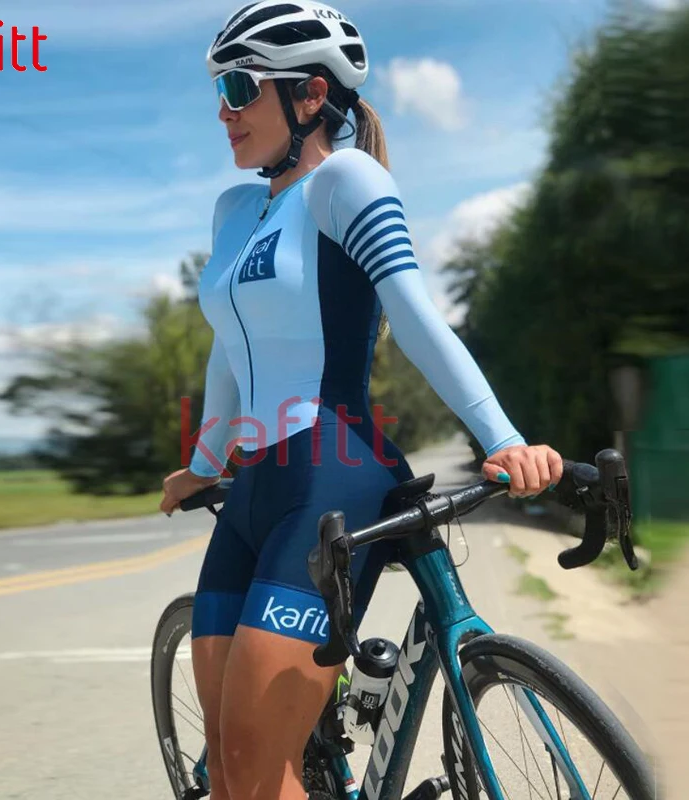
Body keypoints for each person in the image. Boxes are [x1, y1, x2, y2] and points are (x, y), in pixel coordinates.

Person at [159, 2, 563, 798]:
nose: (224, 110)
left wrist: (503, 438)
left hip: (331, 476)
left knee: (260, 768)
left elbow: (414, 317)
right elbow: (228, 347)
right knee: (230, 768)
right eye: (219, 90)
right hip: (255, 487)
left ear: (311, 95)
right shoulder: (234, 211)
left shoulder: (347, 181)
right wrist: (203, 461)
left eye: (240, 87)